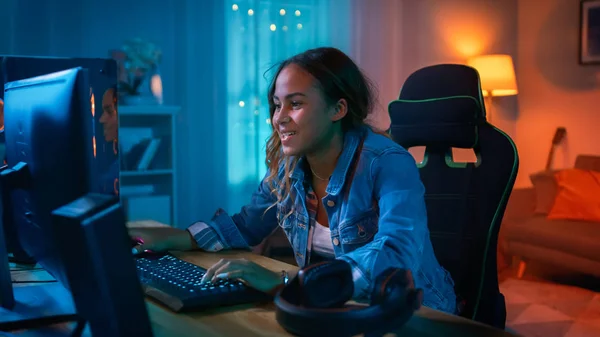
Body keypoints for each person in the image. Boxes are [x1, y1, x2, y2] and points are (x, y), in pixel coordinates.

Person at [129, 47, 458, 314]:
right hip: (331, 307)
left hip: (412, 314)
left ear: (338, 109)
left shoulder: (388, 163)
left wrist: (287, 280)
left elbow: (395, 254)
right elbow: (247, 224)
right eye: (276, 105)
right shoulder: (289, 167)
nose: (279, 118)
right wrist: (174, 237)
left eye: (296, 104)